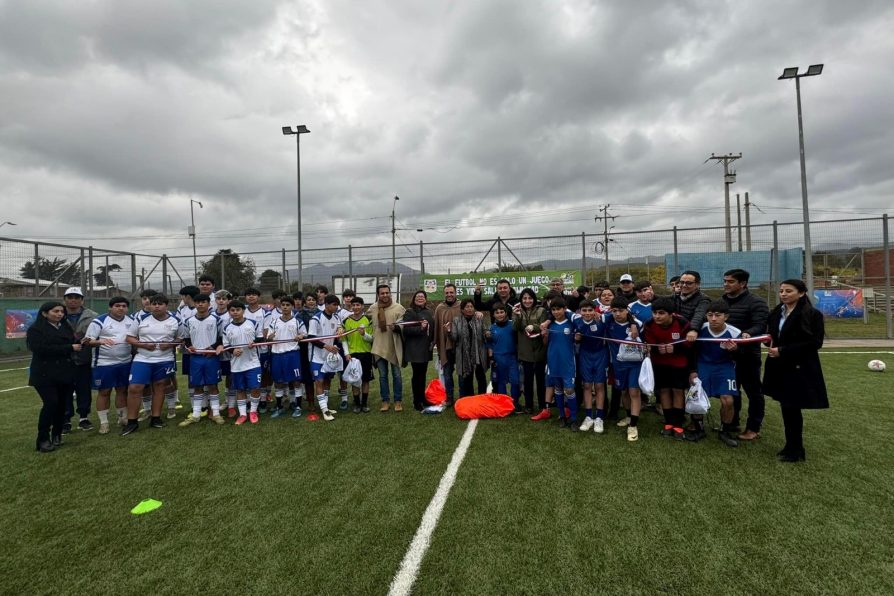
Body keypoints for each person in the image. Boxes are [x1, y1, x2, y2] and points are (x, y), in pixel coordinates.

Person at [763, 279, 828, 462]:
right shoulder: (776, 312)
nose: (783, 294)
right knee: (786, 407)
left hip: (799, 368)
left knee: (792, 406)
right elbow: (772, 336)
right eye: (782, 291)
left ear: (801, 293)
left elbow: (815, 342)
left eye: (788, 291)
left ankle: (796, 449)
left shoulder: (812, 314)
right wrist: (765, 340)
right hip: (779, 366)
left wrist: (783, 351)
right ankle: (790, 446)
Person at [721, 268, 770, 441]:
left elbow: (761, 325)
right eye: (725, 281)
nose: (726, 284)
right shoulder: (721, 301)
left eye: (731, 281)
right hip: (727, 356)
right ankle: (733, 422)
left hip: (748, 356)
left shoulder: (757, 302)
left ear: (743, 284)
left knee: (753, 392)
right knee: (732, 391)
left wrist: (747, 334)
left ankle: (753, 427)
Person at [122, 294, 180, 435]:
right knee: (135, 387)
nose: (156, 306)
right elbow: (129, 337)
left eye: (160, 304)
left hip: (164, 360)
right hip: (142, 359)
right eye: (153, 303)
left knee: (159, 387)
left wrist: (171, 344)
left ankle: (156, 418)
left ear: (166, 306)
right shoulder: (140, 318)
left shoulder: (176, 320)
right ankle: (132, 422)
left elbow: (181, 337)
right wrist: (143, 345)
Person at [27, 301, 82, 452]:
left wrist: (82, 342)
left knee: (62, 405)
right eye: (55, 311)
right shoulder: (35, 330)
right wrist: (69, 347)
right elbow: (41, 349)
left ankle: (57, 435)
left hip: (65, 373)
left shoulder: (65, 326)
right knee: (51, 403)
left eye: (61, 312)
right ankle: (43, 439)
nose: (59, 314)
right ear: (45, 313)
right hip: (44, 374)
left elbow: (73, 342)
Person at [690, 301, 741, 447]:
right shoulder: (700, 328)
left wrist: (735, 350)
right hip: (703, 365)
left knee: (728, 400)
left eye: (717, 315)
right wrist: (693, 370)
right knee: (697, 397)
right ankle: (698, 429)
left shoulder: (735, 332)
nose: (713, 319)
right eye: (710, 315)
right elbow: (691, 351)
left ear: (726, 316)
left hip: (724, 367)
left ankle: (725, 431)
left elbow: (742, 356)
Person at [642, 297, 692, 441]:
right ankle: (669, 423)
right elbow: (651, 345)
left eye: (661, 313)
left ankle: (678, 424)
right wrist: (657, 350)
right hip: (659, 363)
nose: (657, 316)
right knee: (663, 391)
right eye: (655, 313)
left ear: (671, 314)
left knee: (677, 391)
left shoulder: (682, 322)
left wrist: (676, 348)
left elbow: (690, 345)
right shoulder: (649, 324)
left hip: (679, 364)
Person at [83, 296, 133, 434]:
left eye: (123, 306)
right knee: (104, 392)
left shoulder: (131, 321)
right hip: (103, 363)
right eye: (117, 306)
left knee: (122, 390)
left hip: (125, 362)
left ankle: (122, 418)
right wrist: (100, 342)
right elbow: (87, 341)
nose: (121, 308)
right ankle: (104, 423)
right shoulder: (99, 321)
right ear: (110, 307)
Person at [177, 293, 226, 427]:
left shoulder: (217, 320)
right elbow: (186, 339)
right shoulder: (189, 321)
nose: (200, 304)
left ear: (209, 304)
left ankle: (215, 414)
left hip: (211, 357)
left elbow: (222, 338)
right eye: (197, 302)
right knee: (197, 385)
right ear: (194, 304)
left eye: (203, 302)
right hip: (196, 358)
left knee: (212, 385)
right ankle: (196, 415)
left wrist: (213, 347)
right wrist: (189, 346)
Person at [603, 296, 645, 441]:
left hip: (635, 364)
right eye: (614, 311)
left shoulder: (638, 324)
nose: (617, 314)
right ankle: (629, 416)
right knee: (624, 391)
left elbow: (646, 342)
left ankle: (633, 425)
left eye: (620, 311)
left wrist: (632, 323)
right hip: (617, 364)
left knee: (634, 391)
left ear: (627, 310)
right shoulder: (608, 320)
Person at [221, 299, 265, 425]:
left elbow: (261, 338)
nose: (235, 312)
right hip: (236, 365)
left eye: (238, 310)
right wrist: (233, 351)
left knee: (255, 388)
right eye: (232, 310)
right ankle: (242, 414)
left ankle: (253, 411)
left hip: (253, 363)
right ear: (229, 312)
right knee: (240, 390)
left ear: (243, 311)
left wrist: (255, 342)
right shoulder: (227, 328)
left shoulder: (253, 323)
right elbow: (226, 346)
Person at [538, 298, 578, 429]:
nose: (556, 312)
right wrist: (544, 335)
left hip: (567, 362)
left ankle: (574, 418)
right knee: (558, 390)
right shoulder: (549, 325)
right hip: (553, 361)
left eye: (558, 309)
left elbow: (578, 338)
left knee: (569, 389)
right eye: (553, 310)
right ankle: (562, 416)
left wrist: (578, 337)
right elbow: (545, 343)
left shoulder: (572, 323)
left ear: (564, 309)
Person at [62, 287, 97, 433]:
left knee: (84, 389)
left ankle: (84, 417)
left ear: (82, 300)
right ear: (65, 300)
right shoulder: (58, 314)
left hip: (84, 359)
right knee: (64, 390)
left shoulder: (92, 316)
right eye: (70, 297)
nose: (73, 300)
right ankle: (65, 419)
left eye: (76, 297)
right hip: (64, 360)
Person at [265, 296, 307, 418]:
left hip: (292, 354)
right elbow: (268, 337)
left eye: (288, 305)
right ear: (280, 306)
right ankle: (279, 407)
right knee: (278, 382)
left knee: (296, 381)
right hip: (277, 355)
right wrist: (270, 337)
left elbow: (305, 333)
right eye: (283, 305)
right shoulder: (274, 322)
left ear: (292, 307)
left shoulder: (297, 321)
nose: (285, 307)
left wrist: (300, 337)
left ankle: (297, 406)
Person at [572, 300, 608, 433]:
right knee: (586, 385)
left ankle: (599, 418)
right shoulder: (576, 320)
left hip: (601, 355)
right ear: (580, 312)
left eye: (590, 310)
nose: (587, 313)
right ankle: (588, 416)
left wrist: (633, 325)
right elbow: (560, 312)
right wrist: (576, 339)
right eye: (584, 310)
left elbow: (627, 313)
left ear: (595, 311)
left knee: (599, 386)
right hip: (585, 355)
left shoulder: (602, 319)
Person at [368, 284, 406, 412]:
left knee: (396, 375)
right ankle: (385, 401)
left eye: (387, 293)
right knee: (383, 376)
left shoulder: (399, 308)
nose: (385, 295)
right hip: (378, 347)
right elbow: (365, 322)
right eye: (382, 293)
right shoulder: (372, 308)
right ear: (378, 295)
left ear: (390, 293)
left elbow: (403, 324)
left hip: (394, 346)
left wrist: (396, 327)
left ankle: (398, 401)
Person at [308, 294, 344, 421]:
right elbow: (311, 338)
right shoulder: (316, 319)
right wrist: (326, 346)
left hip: (329, 357)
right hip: (317, 358)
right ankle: (324, 411)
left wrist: (339, 332)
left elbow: (338, 333)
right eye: (334, 305)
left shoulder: (336, 317)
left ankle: (326, 407)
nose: (336, 307)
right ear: (327, 304)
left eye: (337, 305)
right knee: (319, 381)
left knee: (328, 381)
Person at [514, 288, 547, 415]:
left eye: (530, 298)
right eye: (524, 298)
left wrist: (535, 327)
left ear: (534, 299)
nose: (527, 301)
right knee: (527, 381)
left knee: (541, 381)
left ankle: (543, 405)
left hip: (539, 350)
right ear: (521, 300)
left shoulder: (541, 310)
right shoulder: (517, 311)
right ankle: (529, 405)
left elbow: (544, 326)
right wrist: (517, 317)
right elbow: (515, 328)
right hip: (525, 351)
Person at [401, 290, 435, 411]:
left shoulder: (428, 312)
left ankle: (422, 398)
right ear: (414, 299)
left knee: (422, 375)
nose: (420, 298)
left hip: (425, 349)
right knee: (417, 376)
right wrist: (420, 328)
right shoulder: (410, 312)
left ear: (425, 299)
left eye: (422, 296)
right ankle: (417, 401)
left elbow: (432, 328)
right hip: (415, 350)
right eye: (418, 296)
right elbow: (406, 330)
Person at [449, 299, 488, 397]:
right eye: (467, 307)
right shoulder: (456, 320)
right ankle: (469, 400)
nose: (469, 309)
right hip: (464, 354)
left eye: (471, 306)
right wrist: (449, 331)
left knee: (481, 377)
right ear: (462, 309)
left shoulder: (479, 318)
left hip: (478, 353)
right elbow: (455, 338)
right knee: (467, 379)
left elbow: (485, 331)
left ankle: (482, 398)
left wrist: (487, 333)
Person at [341, 296, 374, 413]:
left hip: (366, 353)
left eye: (358, 305)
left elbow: (372, 339)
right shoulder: (346, 321)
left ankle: (364, 404)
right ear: (351, 306)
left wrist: (364, 334)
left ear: (362, 306)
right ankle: (356, 404)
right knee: (355, 380)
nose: (355, 307)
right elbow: (344, 339)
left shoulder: (368, 320)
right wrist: (346, 353)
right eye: (353, 305)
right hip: (353, 355)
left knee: (365, 380)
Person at [486, 303, 520, 412]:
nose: (500, 315)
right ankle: (504, 404)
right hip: (498, 358)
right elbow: (490, 345)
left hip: (512, 357)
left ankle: (515, 402)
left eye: (502, 312)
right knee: (501, 382)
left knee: (515, 381)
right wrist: (491, 358)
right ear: (493, 315)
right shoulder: (492, 328)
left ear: (506, 313)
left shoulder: (512, 325)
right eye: (497, 313)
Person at [433, 284, 461, 406]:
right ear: (444, 294)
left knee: (461, 372)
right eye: (447, 293)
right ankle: (449, 398)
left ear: (455, 293)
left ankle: (463, 396)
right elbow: (436, 327)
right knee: (447, 373)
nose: (449, 295)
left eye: (451, 292)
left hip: (460, 345)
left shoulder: (461, 306)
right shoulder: (439, 308)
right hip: (445, 346)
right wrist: (436, 343)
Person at [675, 271, 711, 342]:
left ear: (697, 284)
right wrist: (652, 297)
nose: (684, 285)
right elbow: (664, 301)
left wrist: (693, 329)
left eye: (689, 283)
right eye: (682, 282)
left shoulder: (703, 299)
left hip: (693, 337)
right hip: (678, 334)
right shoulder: (676, 296)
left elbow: (699, 315)